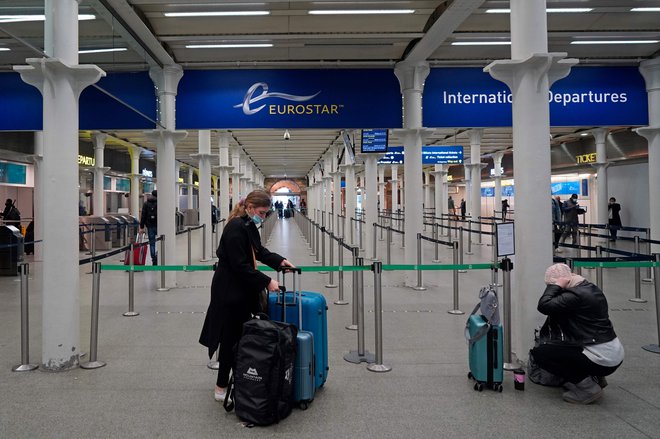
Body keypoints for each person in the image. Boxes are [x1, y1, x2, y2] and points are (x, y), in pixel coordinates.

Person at [199, 190, 296, 403]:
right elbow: (240, 266)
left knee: (239, 336)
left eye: (265, 213)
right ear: (250, 208)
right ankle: (221, 386)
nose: (263, 216)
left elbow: (258, 251)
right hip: (229, 291)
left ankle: (241, 378)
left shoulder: (248, 225)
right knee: (230, 338)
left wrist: (280, 261)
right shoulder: (234, 228)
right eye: (261, 212)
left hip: (241, 289)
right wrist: (267, 281)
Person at [530, 263, 624, 404]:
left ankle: (588, 388)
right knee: (562, 349)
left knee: (541, 354)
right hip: (611, 352)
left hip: (601, 358)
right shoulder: (590, 288)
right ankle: (595, 377)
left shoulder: (574, 296)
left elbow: (544, 305)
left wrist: (554, 286)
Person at [139, 190, 158, 265]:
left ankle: (153, 259)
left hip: (150, 226)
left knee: (152, 243)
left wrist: (141, 226)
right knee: (161, 242)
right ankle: (159, 257)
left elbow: (143, 216)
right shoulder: (160, 203)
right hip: (159, 225)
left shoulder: (146, 203)